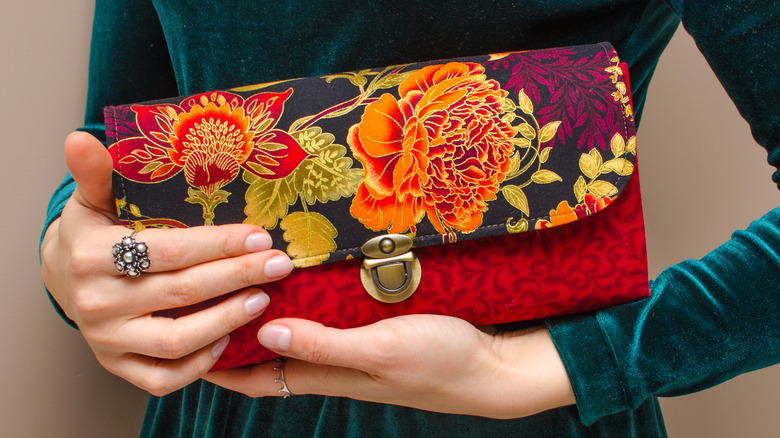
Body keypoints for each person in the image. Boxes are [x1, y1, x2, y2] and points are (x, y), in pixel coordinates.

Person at [40, 0, 780, 436]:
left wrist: (548, 365)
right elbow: (118, 161)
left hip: (524, 422)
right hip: (225, 407)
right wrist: (76, 261)